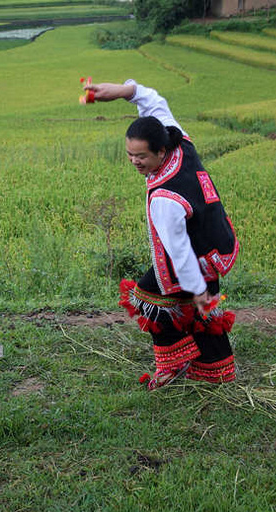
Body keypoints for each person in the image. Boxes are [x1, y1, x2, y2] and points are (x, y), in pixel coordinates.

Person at [84, 79, 239, 390]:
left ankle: (176, 364)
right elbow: (153, 101)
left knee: (153, 299)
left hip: (196, 255)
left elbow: (179, 250)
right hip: (215, 241)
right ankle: (215, 369)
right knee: (198, 308)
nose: (134, 162)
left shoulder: (165, 200)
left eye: (141, 156)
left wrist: (197, 289)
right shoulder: (178, 141)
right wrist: (121, 91)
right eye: (129, 154)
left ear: (160, 150)